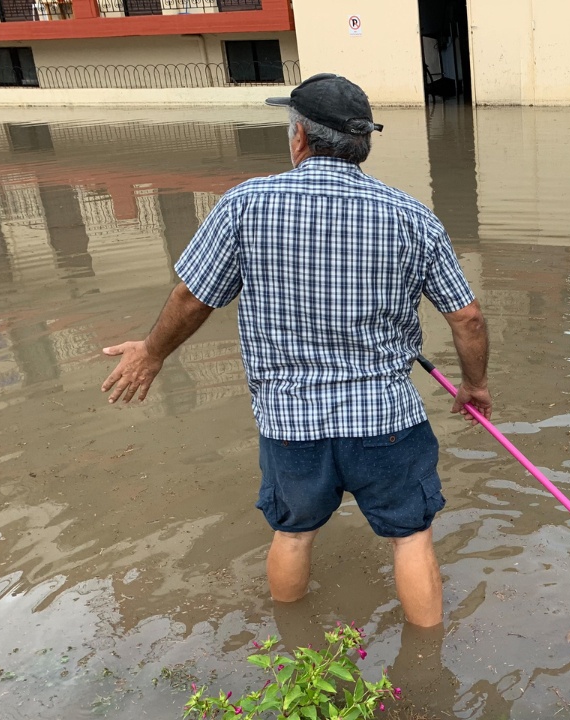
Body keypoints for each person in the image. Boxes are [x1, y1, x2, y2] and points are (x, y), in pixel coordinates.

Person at [100, 73, 491, 628]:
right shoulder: (412, 216)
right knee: (411, 537)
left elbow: (192, 298)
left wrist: (152, 352)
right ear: (363, 144)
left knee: (293, 532)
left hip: (290, 421)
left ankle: (292, 660)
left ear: (300, 138)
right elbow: (467, 317)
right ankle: (427, 673)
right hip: (386, 419)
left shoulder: (245, 204)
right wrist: (474, 385)